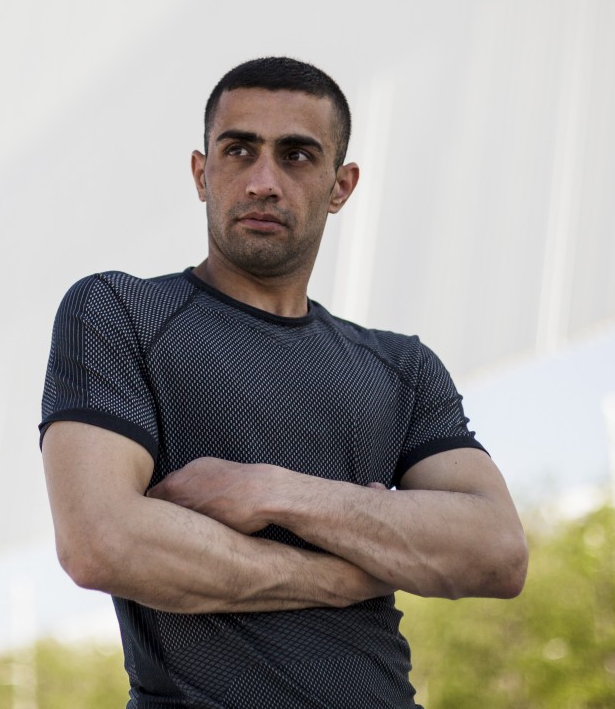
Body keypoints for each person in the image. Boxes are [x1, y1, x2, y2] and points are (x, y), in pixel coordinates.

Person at [38, 56, 527, 708]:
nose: (263, 181)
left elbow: (495, 551)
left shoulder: (401, 367)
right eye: (238, 150)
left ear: (340, 185)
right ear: (200, 172)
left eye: (296, 156)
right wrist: (337, 574)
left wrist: (271, 491)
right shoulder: (121, 312)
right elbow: (101, 541)